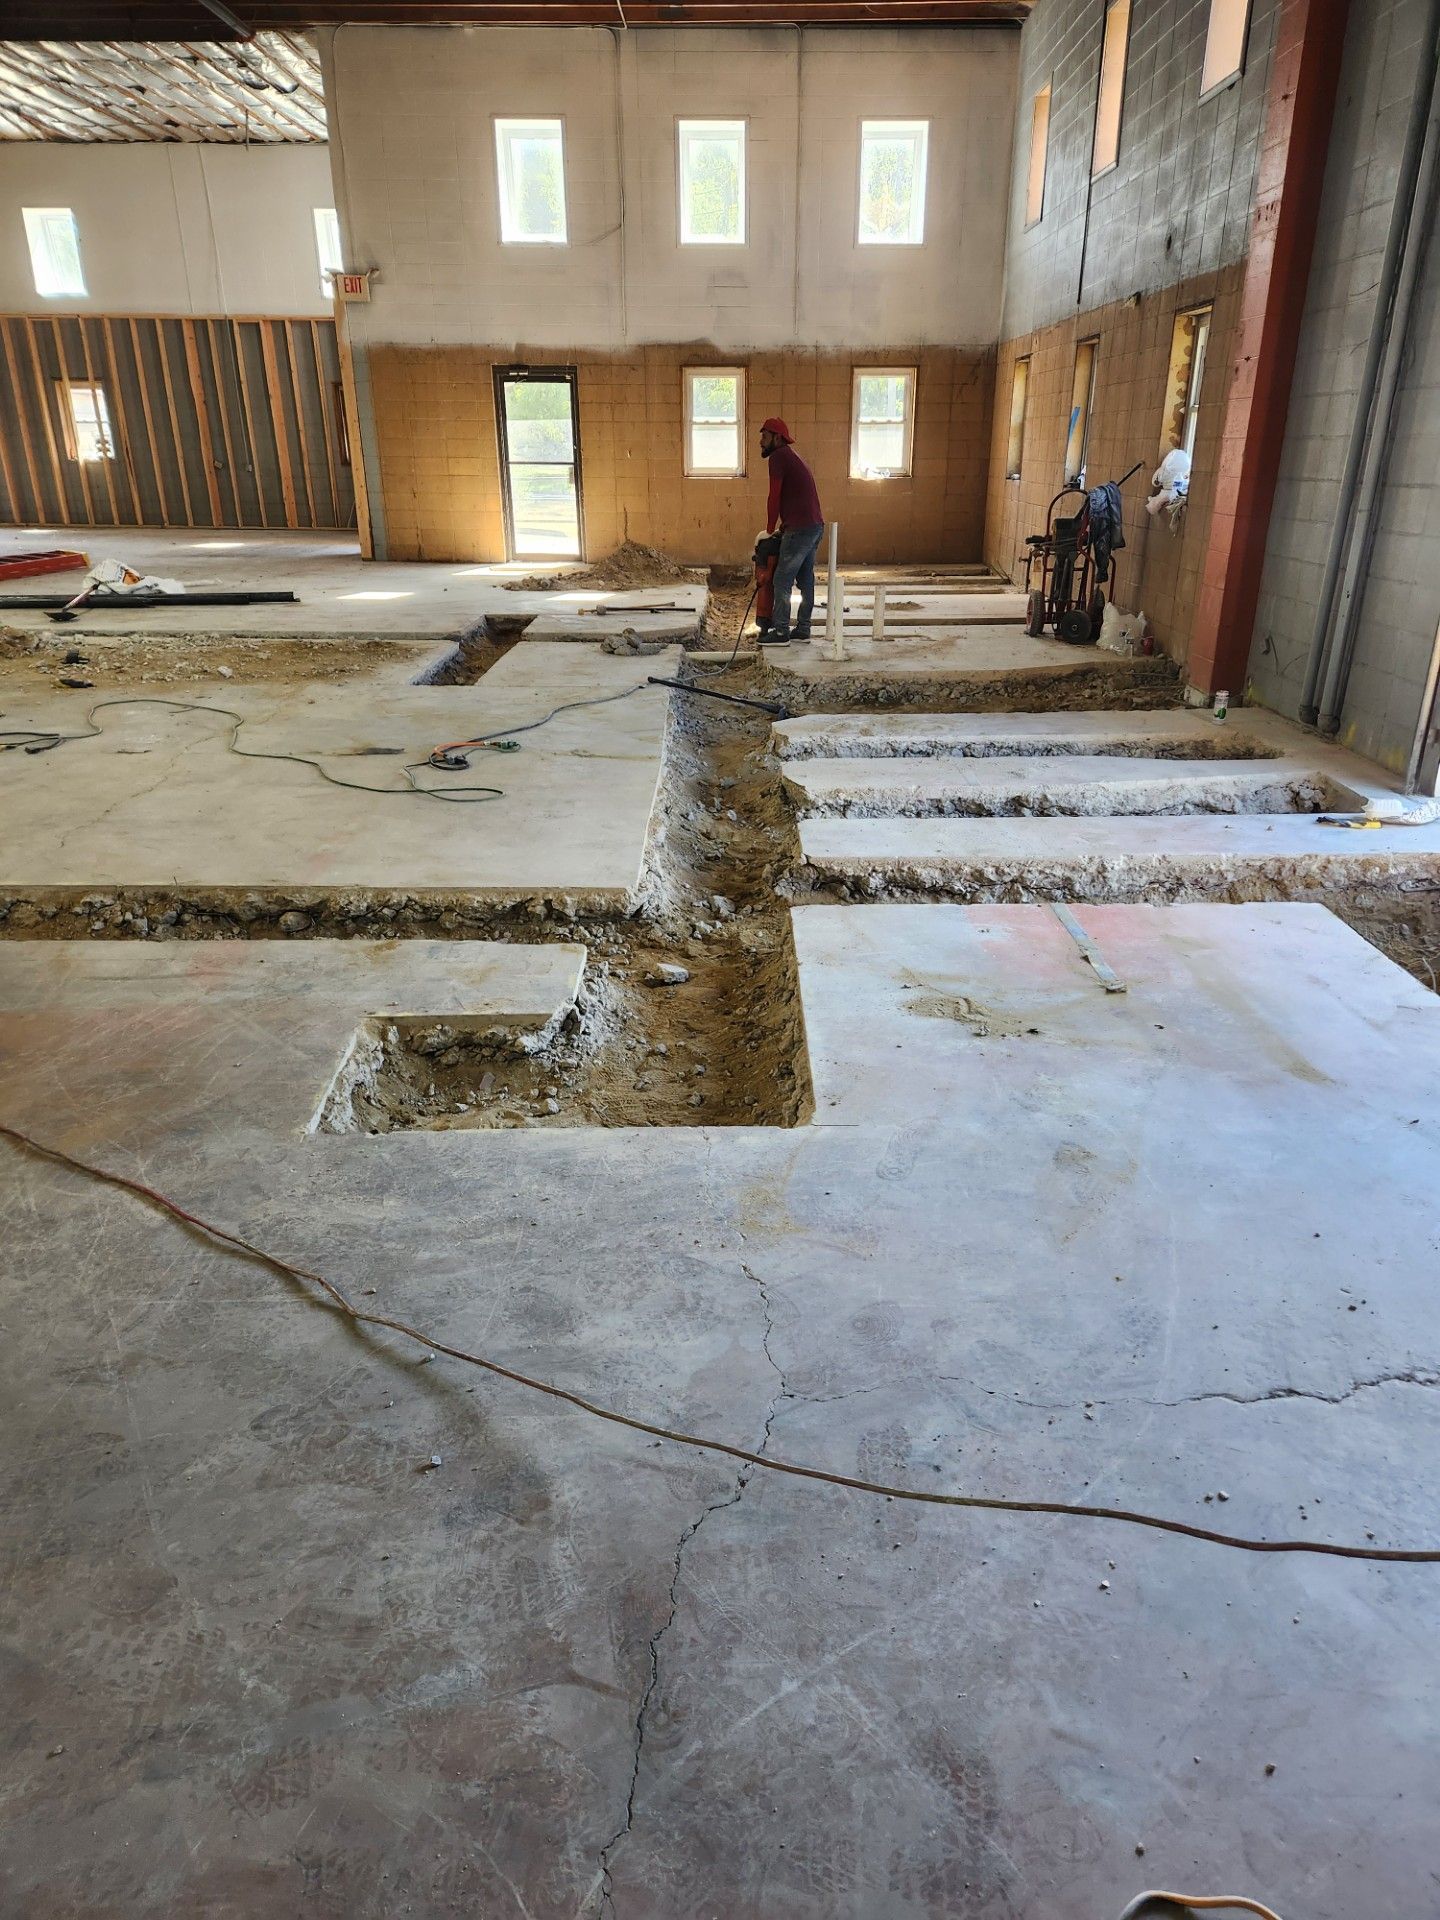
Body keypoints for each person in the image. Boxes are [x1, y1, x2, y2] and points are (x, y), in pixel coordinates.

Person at [757, 417, 824, 645]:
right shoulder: (792, 457)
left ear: (777, 438)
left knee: (781, 580)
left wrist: (769, 529)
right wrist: (782, 527)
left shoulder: (778, 457)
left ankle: (781, 632)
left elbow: (774, 496)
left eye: (765, 436)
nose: (761, 442)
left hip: (800, 529)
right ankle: (803, 629)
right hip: (814, 526)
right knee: (805, 580)